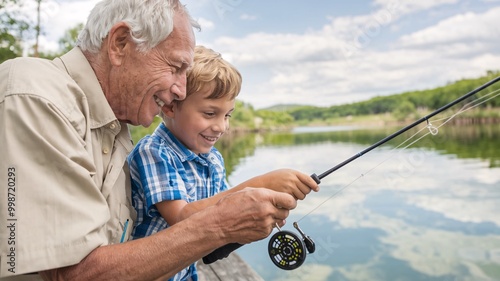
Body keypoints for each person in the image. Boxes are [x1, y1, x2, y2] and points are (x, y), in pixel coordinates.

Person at [0, 0, 319, 280]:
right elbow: (73, 273)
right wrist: (220, 225)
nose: (180, 91)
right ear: (120, 44)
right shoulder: (36, 94)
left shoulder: (115, 128)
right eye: (176, 67)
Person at [128, 45, 316, 281]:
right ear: (170, 106)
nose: (221, 127)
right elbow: (182, 219)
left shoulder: (214, 159)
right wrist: (262, 183)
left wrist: (260, 212)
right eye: (209, 113)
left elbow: (227, 212)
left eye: (227, 115)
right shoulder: (154, 152)